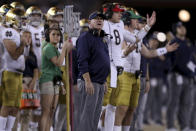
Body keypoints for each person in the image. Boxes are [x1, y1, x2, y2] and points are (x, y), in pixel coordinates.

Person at [112, 10, 178, 131]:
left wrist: (165, 50)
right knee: (122, 108)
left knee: (132, 109)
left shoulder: (138, 36)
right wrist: (125, 52)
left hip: (136, 76)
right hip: (124, 74)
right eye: (134, 18)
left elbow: (148, 53)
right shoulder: (121, 33)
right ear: (127, 20)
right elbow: (121, 52)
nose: (137, 20)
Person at [76, 11, 110, 131]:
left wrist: (104, 80)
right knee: (86, 117)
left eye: (101, 19)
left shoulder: (102, 39)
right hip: (90, 82)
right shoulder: (85, 38)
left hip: (99, 82)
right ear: (90, 22)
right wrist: (88, 81)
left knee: (95, 117)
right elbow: (82, 61)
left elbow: (102, 61)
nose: (99, 20)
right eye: (96, 18)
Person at [0, 8, 31, 131]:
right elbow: (13, 54)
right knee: (7, 105)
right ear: (13, 19)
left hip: (18, 74)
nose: (24, 22)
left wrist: (25, 45)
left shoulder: (17, 33)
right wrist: (23, 44)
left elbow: (23, 57)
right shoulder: (9, 31)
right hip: (9, 73)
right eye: (21, 19)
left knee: (15, 107)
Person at [39, 25, 72, 131]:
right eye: (53, 34)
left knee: (52, 110)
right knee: (46, 110)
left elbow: (57, 70)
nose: (56, 37)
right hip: (47, 80)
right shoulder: (48, 47)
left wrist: (61, 84)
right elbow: (58, 63)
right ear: (48, 36)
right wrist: (64, 49)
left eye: (58, 35)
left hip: (55, 81)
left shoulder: (55, 49)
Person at [166, 22, 195, 131]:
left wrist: (193, 72)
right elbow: (169, 59)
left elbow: (191, 60)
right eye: (179, 27)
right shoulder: (174, 41)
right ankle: (170, 126)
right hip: (176, 75)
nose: (183, 28)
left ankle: (184, 126)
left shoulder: (188, 42)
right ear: (176, 30)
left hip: (188, 77)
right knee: (173, 102)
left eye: (183, 26)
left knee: (186, 103)